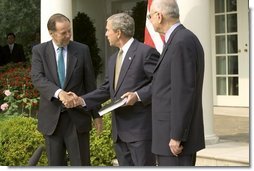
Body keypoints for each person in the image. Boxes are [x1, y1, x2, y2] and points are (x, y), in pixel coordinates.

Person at [64, 13, 160, 166]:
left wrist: (138, 95)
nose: (106, 33)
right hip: (119, 134)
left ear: (118, 32)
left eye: (108, 30)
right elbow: (106, 89)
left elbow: (161, 84)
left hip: (140, 132)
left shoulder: (145, 53)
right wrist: (81, 100)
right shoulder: (113, 59)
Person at [30, 13, 102, 166]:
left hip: (77, 119)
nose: (68, 35)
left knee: (81, 164)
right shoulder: (39, 51)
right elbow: (37, 78)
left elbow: (90, 83)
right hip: (52, 121)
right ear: (51, 33)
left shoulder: (82, 50)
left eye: (69, 31)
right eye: (64, 33)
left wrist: (96, 114)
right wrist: (59, 93)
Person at [148, 0, 205, 166]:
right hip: (169, 137)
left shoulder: (181, 41)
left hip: (174, 142)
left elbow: (184, 92)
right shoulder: (178, 39)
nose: (150, 20)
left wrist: (177, 136)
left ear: (159, 16)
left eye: (149, 16)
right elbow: (166, 86)